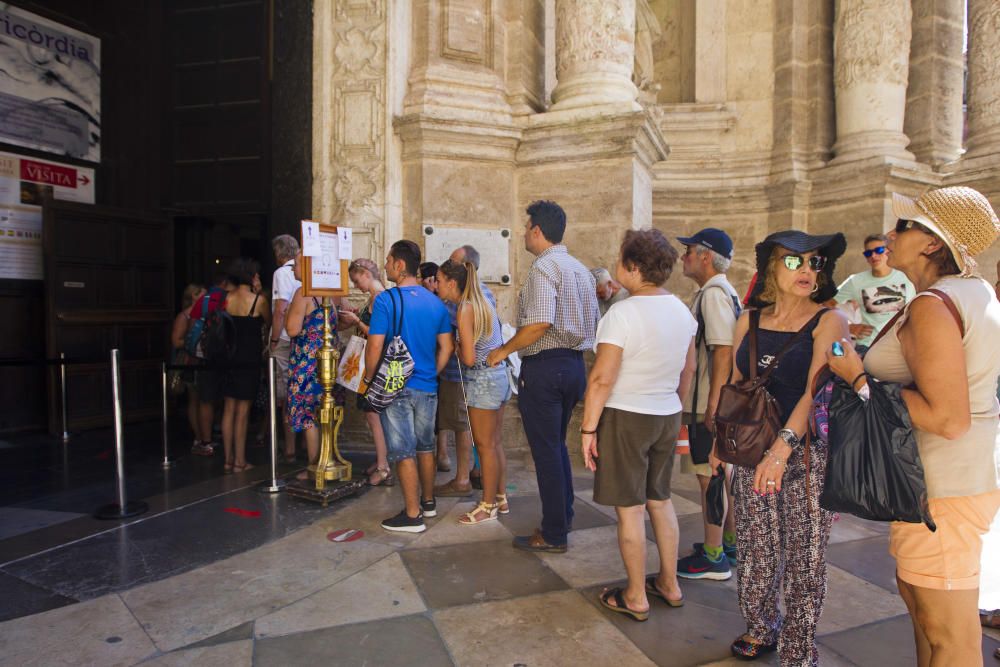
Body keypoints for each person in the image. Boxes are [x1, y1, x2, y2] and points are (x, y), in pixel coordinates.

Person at [827, 187, 1000, 667]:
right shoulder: (972, 292)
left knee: (952, 639)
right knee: (929, 619)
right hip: (950, 483)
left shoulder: (932, 304)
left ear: (931, 243)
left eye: (904, 227)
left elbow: (947, 417)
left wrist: (856, 376)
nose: (889, 234)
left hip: (941, 487)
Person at [709, 230, 849, 663]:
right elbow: (734, 384)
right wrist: (720, 441)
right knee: (756, 546)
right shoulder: (747, 320)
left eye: (814, 263)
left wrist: (782, 448)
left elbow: (815, 389)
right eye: (795, 261)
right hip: (751, 448)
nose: (807, 270)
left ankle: (798, 645)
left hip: (806, 453)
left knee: (805, 554)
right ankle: (760, 626)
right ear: (772, 266)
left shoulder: (829, 320)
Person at [581, 229, 695, 621]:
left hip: (626, 417)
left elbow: (601, 378)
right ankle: (669, 583)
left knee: (630, 511)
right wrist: (672, 407)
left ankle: (635, 595)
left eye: (619, 260)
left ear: (632, 267)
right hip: (666, 413)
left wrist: (588, 429)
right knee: (660, 502)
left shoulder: (623, 313)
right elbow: (688, 370)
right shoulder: (682, 310)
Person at [487, 200, 600, 553]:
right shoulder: (580, 269)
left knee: (547, 451)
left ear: (538, 231)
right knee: (557, 448)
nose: (523, 233)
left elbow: (538, 323)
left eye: (526, 227)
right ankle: (562, 515)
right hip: (574, 365)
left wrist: (503, 351)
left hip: (546, 367)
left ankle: (553, 533)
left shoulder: (543, 268)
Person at [364, 240, 453, 533]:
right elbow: (446, 347)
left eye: (389, 261)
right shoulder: (436, 302)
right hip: (427, 386)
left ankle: (412, 515)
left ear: (400, 266)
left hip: (395, 383)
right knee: (426, 447)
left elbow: (375, 345)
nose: (386, 265)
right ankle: (428, 503)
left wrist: (367, 379)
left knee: (402, 451)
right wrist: (431, 372)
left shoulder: (386, 301)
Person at [675, 228, 741, 581]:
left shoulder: (714, 295)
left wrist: (714, 405)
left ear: (705, 256)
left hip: (707, 403)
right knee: (719, 475)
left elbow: (723, 350)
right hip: (709, 400)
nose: (683, 256)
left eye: (688, 250)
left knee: (709, 477)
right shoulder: (720, 292)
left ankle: (714, 556)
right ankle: (728, 543)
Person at [436, 259, 511, 524]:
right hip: (499, 378)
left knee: (485, 447)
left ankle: (487, 505)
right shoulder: (482, 302)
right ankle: (500, 498)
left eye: (439, 280)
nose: (436, 285)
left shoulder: (465, 309)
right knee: (495, 444)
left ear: (452, 282)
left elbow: (468, 358)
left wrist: (455, 345)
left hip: (482, 381)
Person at [434, 245, 494, 497]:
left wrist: (453, 348)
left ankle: (463, 480)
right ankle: (487, 486)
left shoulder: (464, 304)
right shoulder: (482, 295)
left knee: (464, 426)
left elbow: (466, 354)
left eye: (453, 264)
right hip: (473, 375)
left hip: (461, 375)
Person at [340, 258, 393, 486]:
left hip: (375, 362)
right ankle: (382, 458)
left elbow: (379, 333)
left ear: (365, 273)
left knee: (374, 414)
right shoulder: (376, 298)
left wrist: (356, 321)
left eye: (356, 279)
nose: (355, 285)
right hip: (372, 361)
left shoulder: (380, 297)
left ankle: (384, 467)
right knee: (375, 415)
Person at [285, 251, 335, 480]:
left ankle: (316, 467)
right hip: (326, 362)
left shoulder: (302, 293)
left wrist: (287, 313)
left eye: (295, 264)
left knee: (307, 416)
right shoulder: (329, 293)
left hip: (306, 363)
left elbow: (292, 329)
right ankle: (327, 460)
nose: (293, 269)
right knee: (322, 412)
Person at [220, 258, 270, 473]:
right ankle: (240, 461)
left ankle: (228, 459)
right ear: (251, 276)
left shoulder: (226, 299)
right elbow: (269, 323)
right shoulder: (258, 301)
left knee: (228, 408)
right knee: (242, 411)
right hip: (249, 357)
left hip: (229, 357)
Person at [833, 233, 915, 353]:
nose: (874, 256)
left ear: (889, 250)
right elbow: (826, 304)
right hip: (868, 348)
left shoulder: (908, 276)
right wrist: (848, 327)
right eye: (868, 253)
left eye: (879, 250)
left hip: (901, 347)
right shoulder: (855, 281)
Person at [187, 273, 229, 457]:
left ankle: (206, 441)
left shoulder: (203, 301)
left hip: (205, 355)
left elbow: (192, 327)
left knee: (205, 399)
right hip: (228, 355)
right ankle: (229, 442)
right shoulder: (229, 299)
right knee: (229, 399)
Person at [268, 234, 301, 462]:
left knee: (285, 395)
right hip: (301, 339)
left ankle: (289, 448)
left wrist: (273, 340)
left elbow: (281, 308)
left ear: (279, 254)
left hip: (285, 339)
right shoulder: (306, 275)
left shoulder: (282, 273)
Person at [171, 283, 206, 450]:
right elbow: (176, 341)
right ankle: (198, 436)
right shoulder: (184, 316)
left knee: (205, 398)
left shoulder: (206, 315)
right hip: (191, 360)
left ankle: (205, 434)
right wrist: (193, 340)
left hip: (204, 360)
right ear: (193, 295)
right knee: (194, 398)